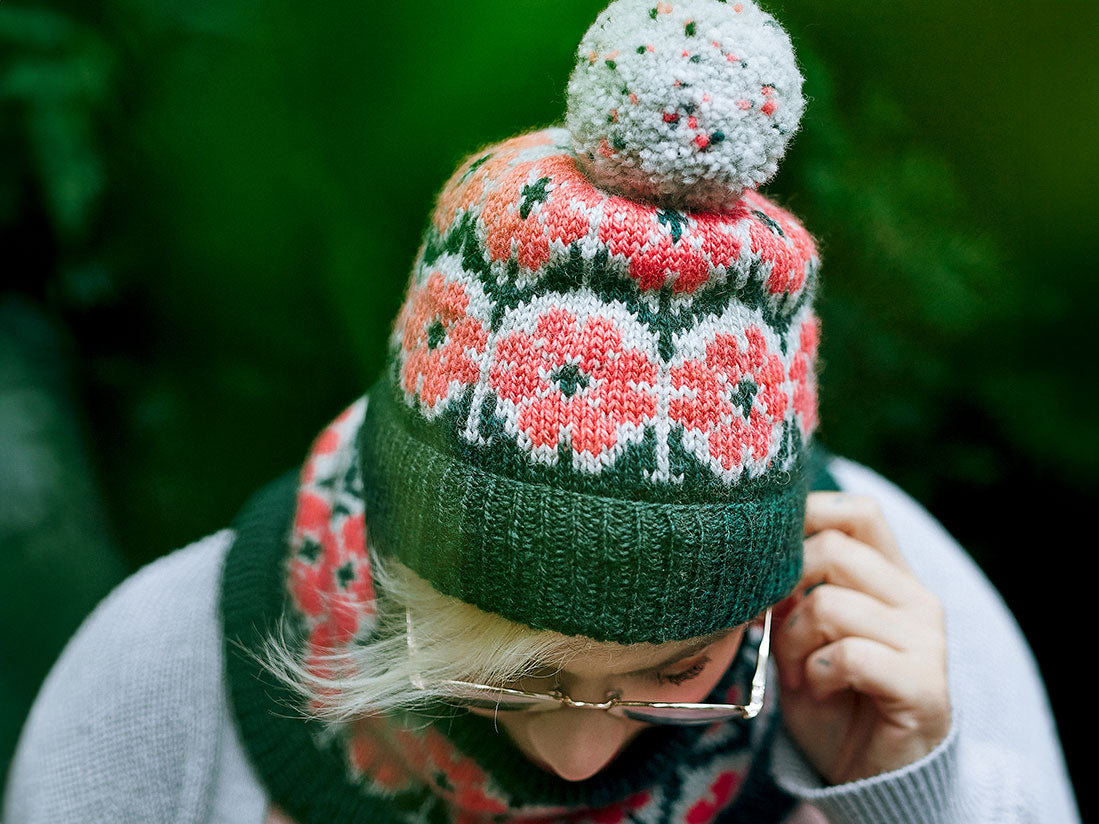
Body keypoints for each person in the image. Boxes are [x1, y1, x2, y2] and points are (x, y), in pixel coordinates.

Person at [3, 0, 1079, 821]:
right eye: (507, 668)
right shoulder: (156, 682)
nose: (576, 756)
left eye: (676, 670)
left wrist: (902, 797)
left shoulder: (910, 639)